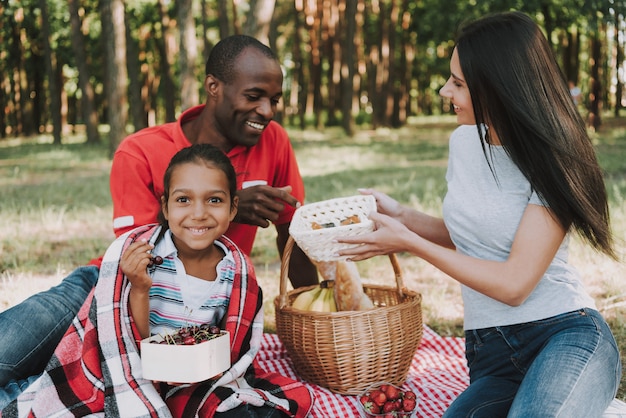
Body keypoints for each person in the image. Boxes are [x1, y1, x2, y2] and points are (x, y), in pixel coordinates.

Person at [0, 35, 318, 407]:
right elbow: (138, 251)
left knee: (61, 389)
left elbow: (291, 236)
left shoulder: (273, 142)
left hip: (196, 307)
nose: (267, 111)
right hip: (108, 287)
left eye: (274, 100)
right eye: (253, 96)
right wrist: (225, 210)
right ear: (213, 87)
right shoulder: (140, 151)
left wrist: (313, 311)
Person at [337, 12, 621, 418]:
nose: (442, 90)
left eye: (458, 83)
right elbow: (469, 240)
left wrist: (409, 242)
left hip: (563, 334)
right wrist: (402, 215)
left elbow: (514, 286)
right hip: (492, 357)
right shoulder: (465, 142)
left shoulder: (557, 158)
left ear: (498, 86)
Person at [2, 144, 314, 417]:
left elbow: (232, 340)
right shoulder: (146, 257)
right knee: (45, 395)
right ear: (164, 207)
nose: (199, 213)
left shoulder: (236, 272)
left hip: (193, 380)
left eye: (214, 201)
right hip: (137, 369)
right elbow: (125, 338)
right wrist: (139, 287)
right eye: (183, 200)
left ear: (234, 207)